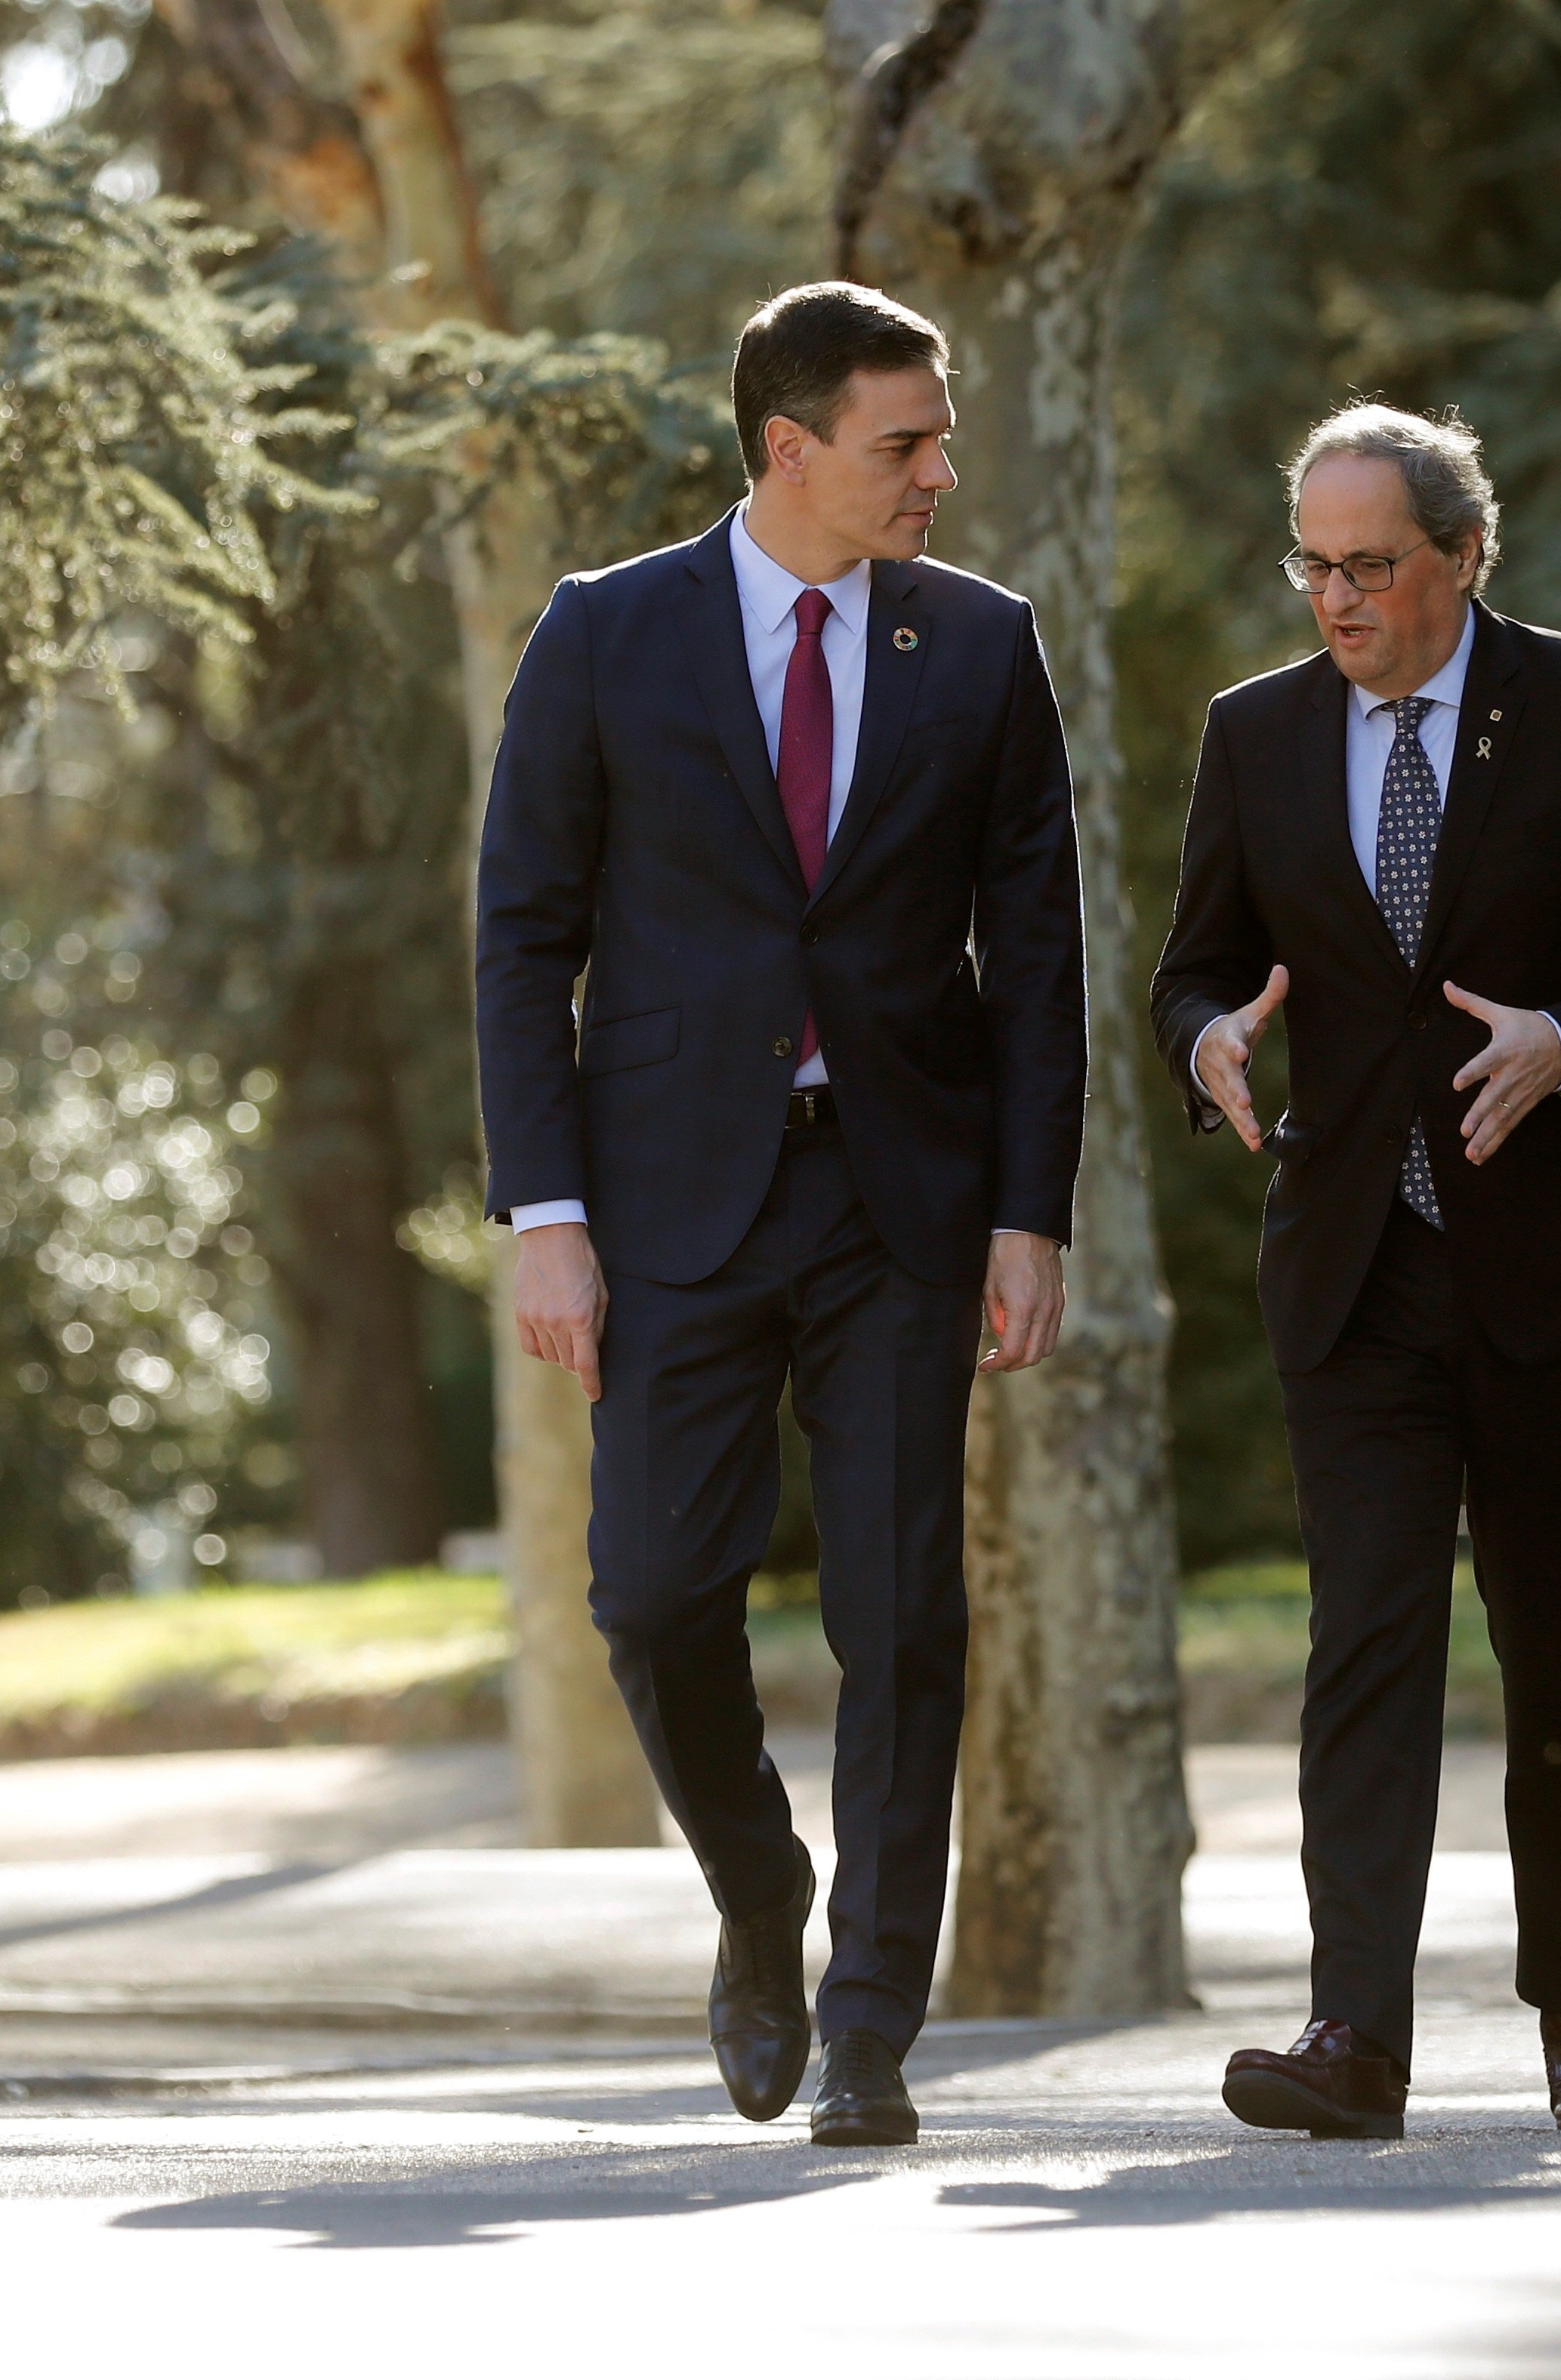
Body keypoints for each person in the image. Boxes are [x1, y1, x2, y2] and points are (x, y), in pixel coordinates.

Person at [475, 282, 1086, 2149]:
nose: (940, 471)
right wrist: (543, 1210)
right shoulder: (603, 634)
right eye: (905, 441)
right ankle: (758, 1894)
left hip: (897, 1192)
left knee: (902, 1616)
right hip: (664, 1198)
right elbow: (523, 937)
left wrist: (1025, 1209)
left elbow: (1038, 951)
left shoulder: (980, 644)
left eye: (941, 434)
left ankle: (872, 2021)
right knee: (654, 1598)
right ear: (788, 449)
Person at [1150, 403, 1561, 2141]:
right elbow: (1193, 966)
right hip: (1355, 1262)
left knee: (1560, 1636)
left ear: (1461, 556)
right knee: (1366, 1638)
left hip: (1555, 1259)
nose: (1335, 602)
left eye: (1370, 567)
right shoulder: (1255, 735)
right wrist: (1208, 1045)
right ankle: (1355, 2032)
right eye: (1312, 567)